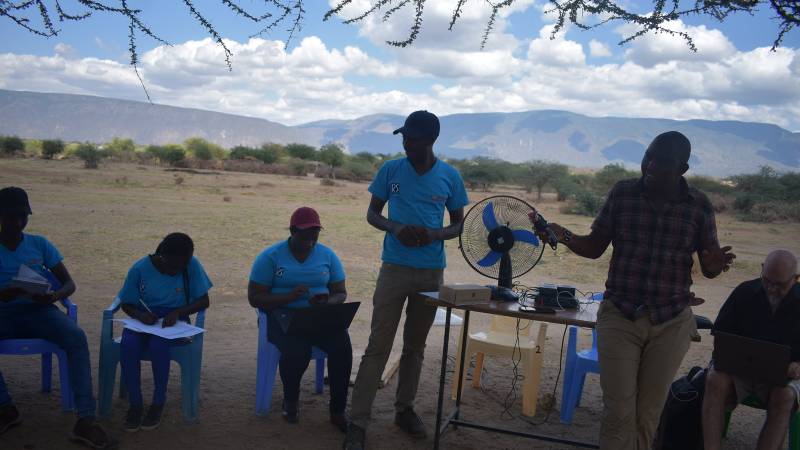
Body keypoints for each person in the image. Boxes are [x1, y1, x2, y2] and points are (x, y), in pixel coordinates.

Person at [529, 131, 735, 450]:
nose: (650, 165)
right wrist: (564, 235)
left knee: (646, 414)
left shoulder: (699, 206)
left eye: (662, 161)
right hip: (620, 315)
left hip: (671, 321)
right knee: (617, 414)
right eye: (648, 156)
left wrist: (713, 264)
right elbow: (595, 246)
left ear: (682, 168)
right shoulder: (623, 194)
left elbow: (709, 265)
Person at [344, 110, 469, 450]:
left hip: (431, 271)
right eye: (404, 137)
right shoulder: (391, 171)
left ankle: (405, 409)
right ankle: (357, 422)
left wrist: (435, 234)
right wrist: (395, 227)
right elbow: (373, 214)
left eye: (413, 138)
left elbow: (460, 224)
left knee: (415, 347)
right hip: (394, 269)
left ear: (430, 140)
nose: (406, 142)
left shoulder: (449, 177)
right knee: (378, 345)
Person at [0, 186, 117, 449]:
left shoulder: (39, 244)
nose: (18, 223)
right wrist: (4, 294)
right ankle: (5, 408)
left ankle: (85, 420)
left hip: (39, 310)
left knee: (76, 337)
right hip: (3, 312)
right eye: (11, 217)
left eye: (23, 216)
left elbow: (68, 283)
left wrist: (54, 297)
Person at [248, 206, 351, 432]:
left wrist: (328, 301)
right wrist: (288, 296)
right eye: (305, 233)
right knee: (297, 350)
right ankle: (291, 401)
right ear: (292, 231)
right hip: (282, 316)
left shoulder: (328, 255)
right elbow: (254, 298)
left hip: (318, 316)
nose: (311, 239)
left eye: (315, 233)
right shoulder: (270, 257)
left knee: (342, 347)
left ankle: (337, 410)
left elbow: (341, 293)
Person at [703, 249, 800, 450]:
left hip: (787, 376)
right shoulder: (744, 291)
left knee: (785, 396)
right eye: (767, 281)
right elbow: (720, 334)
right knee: (715, 379)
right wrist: (727, 357)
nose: (771, 288)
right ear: (762, 270)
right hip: (741, 371)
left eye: (780, 285)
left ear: (795, 279)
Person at [118, 232, 212, 432]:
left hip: (173, 324)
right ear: (162, 256)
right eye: (173, 267)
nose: (177, 271)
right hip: (143, 321)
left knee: (158, 345)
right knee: (129, 344)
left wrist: (178, 312)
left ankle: (158, 402)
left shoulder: (191, 265)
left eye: (182, 267)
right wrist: (139, 314)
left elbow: (204, 301)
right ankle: (135, 404)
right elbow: (126, 302)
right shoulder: (140, 269)